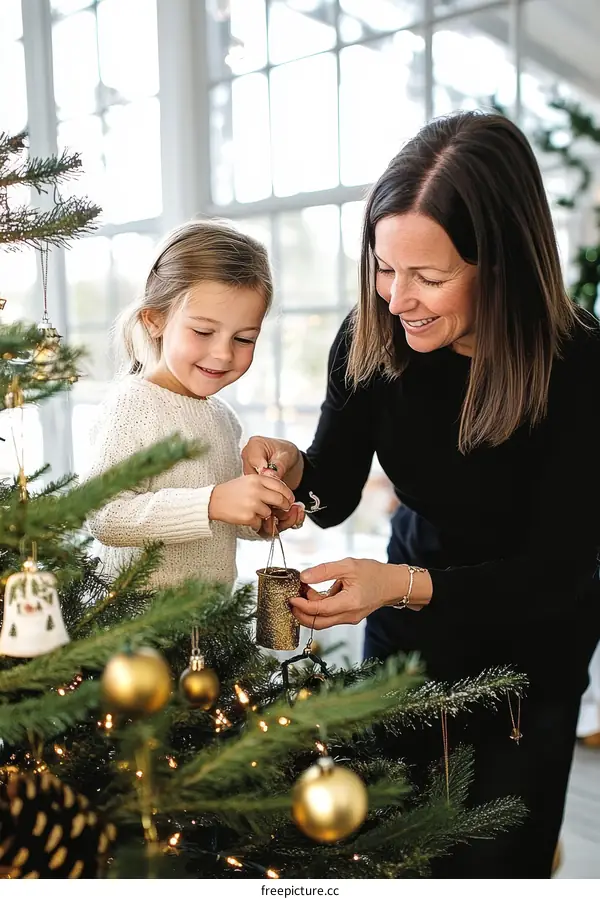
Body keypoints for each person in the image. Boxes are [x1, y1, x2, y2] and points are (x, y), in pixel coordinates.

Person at [242, 111, 600, 878]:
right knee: (387, 843)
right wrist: (294, 470)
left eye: (428, 277)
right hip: (405, 628)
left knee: (494, 860)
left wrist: (398, 587)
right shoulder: (372, 333)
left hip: (529, 652)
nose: (397, 298)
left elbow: (559, 575)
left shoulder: (581, 366)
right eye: (382, 266)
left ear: (498, 262)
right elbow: (334, 488)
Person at [83, 219, 304, 590]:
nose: (222, 354)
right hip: (136, 633)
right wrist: (212, 502)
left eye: (245, 338)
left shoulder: (222, 418)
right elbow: (103, 515)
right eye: (203, 332)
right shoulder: (133, 405)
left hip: (209, 629)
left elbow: (216, 525)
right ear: (155, 320)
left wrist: (259, 515)